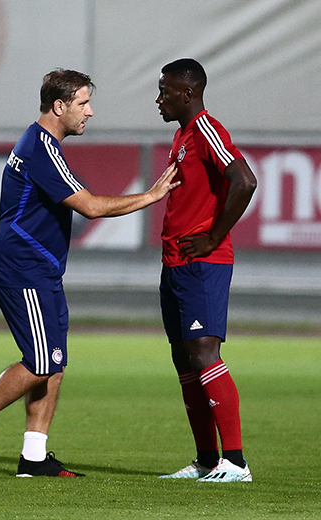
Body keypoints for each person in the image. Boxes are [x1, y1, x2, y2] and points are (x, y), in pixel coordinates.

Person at [0, 68, 179, 478]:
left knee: (53, 361)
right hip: (23, 270)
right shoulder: (42, 149)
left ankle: (34, 457)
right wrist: (151, 195)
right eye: (83, 103)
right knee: (40, 361)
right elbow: (91, 207)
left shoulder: (40, 144)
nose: (90, 112)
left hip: (42, 272)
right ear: (59, 106)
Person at [155, 59, 257, 482]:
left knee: (204, 353)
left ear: (187, 93)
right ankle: (206, 460)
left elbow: (245, 181)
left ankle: (235, 461)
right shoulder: (182, 135)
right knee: (184, 359)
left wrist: (213, 237)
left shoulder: (206, 129)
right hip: (175, 263)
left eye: (164, 91)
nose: (159, 99)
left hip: (203, 263)